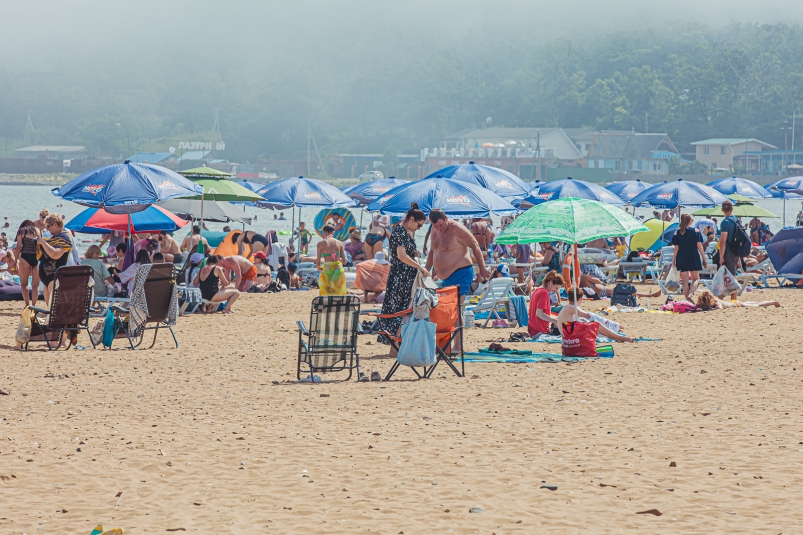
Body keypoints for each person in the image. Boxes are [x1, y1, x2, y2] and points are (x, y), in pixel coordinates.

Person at [379, 203, 430, 344]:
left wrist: (414, 253)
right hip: (400, 276)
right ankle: (394, 345)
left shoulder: (405, 232)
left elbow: (403, 253)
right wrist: (420, 267)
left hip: (405, 276)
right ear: (412, 219)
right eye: (419, 225)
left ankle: (396, 345)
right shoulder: (400, 231)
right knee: (400, 309)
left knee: (403, 308)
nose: (419, 229)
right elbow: (402, 256)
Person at [426, 208, 492, 302]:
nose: (439, 229)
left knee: (456, 308)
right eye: (435, 226)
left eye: (441, 225)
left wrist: (483, 268)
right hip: (446, 278)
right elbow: (433, 251)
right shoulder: (434, 229)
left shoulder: (457, 229)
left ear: (446, 218)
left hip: (461, 274)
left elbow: (475, 246)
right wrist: (426, 271)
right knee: (446, 308)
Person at [556, 290, 635, 342]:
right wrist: (610, 324)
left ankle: (616, 336)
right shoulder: (572, 308)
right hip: (569, 336)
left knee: (589, 323)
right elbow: (589, 315)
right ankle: (621, 338)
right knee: (596, 324)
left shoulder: (567, 307)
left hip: (567, 334)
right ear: (580, 299)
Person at [36, 213, 73, 304]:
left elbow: (55, 254)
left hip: (54, 276)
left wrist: (43, 242)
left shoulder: (64, 238)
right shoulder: (54, 238)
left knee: (54, 306)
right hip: (47, 277)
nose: (47, 229)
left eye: (48, 226)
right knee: (50, 306)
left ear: (55, 225)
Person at [671, 213, 707, 300]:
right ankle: (691, 294)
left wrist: (673, 260)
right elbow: (699, 247)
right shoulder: (695, 231)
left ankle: (687, 300)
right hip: (693, 256)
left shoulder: (677, 233)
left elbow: (676, 249)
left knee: (684, 281)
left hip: (681, 257)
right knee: (695, 279)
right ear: (690, 221)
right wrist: (704, 258)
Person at [528, 270, 565, 337]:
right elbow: (539, 313)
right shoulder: (544, 293)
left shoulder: (537, 290)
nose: (555, 291)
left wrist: (555, 319)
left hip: (533, 329)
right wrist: (555, 321)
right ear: (550, 282)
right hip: (539, 330)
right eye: (556, 288)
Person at [718, 200, 742, 300]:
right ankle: (728, 298)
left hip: (728, 251)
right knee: (732, 273)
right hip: (736, 250)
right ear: (732, 209)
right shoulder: (736, 220)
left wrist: (721, 256)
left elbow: (723, 241)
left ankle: (733, 299)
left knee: (731, 275)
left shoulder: (725, 222)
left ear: (722, 210)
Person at [15, 220, 41, 307]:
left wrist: (15, 260)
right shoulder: (38, 230)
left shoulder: (21, 231)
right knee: (35, 285)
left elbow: (18, 247)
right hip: (36, 258)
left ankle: (27, 304)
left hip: (25, 257)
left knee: (24, 284)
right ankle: (33, 306)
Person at [316, 224, 347, 296]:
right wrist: (337, 258)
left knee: (326, 290)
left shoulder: (320, 243)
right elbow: (344, 262)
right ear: (333, 232)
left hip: (327, 269)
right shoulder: (340, 243)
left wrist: (318, 267)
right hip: (338, 269)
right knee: (338, 291)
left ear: (324, 232)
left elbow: (318, 261)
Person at [695, 289, 781, 310]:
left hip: (736, 304)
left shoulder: (716, 302)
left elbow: (719, 308)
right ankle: (772, 301)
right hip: (733, 302)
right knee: (755, 303)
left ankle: (774, 302)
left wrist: (709, 310)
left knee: (757, 305)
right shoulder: (710, 302)